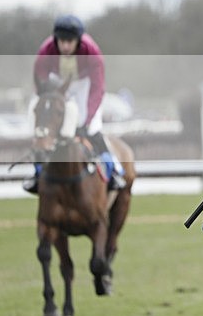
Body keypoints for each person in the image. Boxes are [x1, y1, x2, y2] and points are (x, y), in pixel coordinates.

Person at [23, 15, 126, 193]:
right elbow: (39, 80)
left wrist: (87, 121)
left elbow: (97, 88)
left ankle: (114, 169)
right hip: (56, 84)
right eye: (61, 41)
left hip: (84, 85)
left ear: (78, 40)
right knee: (45, 130)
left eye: (70, 41)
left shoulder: (92, 52)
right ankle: (37, 174)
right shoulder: (46, 50)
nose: (65, 46)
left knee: (93, 128)